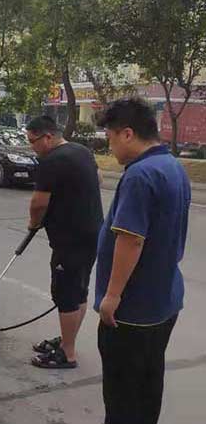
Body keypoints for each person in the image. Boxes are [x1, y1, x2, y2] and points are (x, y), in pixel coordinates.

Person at [95, 98, 190, 424]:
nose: (110, 146)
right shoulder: (174, 166)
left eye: (109, 137)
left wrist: (112, 297)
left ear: (127, 134)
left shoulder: (140, 175)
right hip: (163, 302)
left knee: (122, 398)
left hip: (132, 311)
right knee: (148, 387)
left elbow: (131, 239)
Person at [25, 115, 103, 369]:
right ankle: (68, 340)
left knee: (66, 293)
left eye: (33, 141)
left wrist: (33, 224)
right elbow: (97, 181)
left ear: (47, 137)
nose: (32, 147)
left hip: (70, 240)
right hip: (92, 234)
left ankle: (67, 354)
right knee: (79, 290)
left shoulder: (52, 161)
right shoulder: (82, 151)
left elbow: (38, 203)